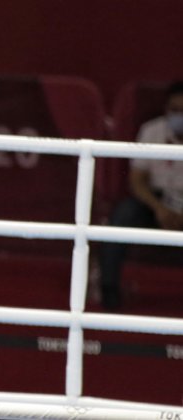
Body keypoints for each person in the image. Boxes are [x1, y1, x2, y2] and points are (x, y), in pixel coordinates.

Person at [99, 81, 183, 310]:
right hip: (155, 201)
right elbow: (137, 180)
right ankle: (109, 291)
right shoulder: (152, 131)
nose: (179, 116)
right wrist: (159, 208)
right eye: (174, 110)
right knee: (123, 215)